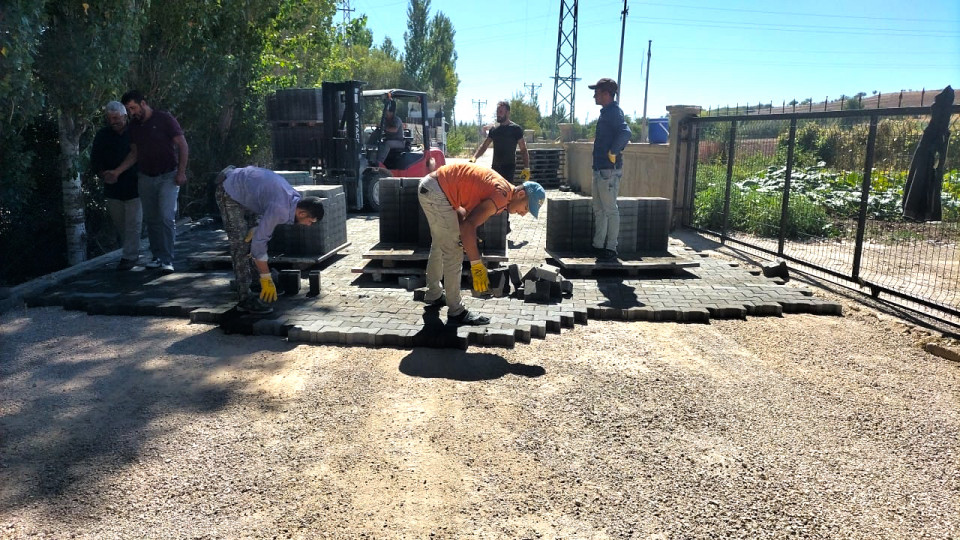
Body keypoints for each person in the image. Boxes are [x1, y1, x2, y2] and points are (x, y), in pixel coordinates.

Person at [418, 162, 546, 325]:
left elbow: (464, 214)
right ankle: (456, 311)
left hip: (434, 187)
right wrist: (476, 265)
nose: (523, 214)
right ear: (521, 194)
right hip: (437, 192)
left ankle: (434, 294)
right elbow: (468, 226)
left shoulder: (503, 191)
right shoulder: (501, 196)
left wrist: (467, 237)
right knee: (453, 252)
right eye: (526, 208)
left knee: (441, 243)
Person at [214, 166, 325, 314]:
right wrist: (266, 277)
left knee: (252, 240)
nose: (309, 225)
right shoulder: (280, 208)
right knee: (241, 245)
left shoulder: (293, 200)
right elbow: (259, 243)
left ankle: (256, 283)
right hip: (230, 190)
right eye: (310, 221)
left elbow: (266, 204)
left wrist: (258, 226)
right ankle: (245, 299)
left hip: (247, 190)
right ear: (302, 213)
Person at [105, 90, 189, 274]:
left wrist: (181, 172)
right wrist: (117, 171)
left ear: (143, 103)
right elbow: (134, 153)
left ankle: (167, 259)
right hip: (145, 177)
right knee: (152, 219)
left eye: (133, 108)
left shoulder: (164, 119)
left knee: (166, 216)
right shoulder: (134, 127)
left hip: (168, 175)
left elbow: (182, 145)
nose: (132, 112)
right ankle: (157, 257)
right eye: (128, 109)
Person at [90, 101, 142, 271]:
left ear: (125, 116)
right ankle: (131, 252)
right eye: (110, 118)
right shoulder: (102, 135)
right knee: (121, 225)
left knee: (134, 223)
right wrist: (103, 174)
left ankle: (130, 256)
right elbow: (95, 160)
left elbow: (139, 155)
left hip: (135, 185)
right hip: (113, 188)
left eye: (116, 118)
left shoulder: (135, 131)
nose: (113, 121)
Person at [589, 78, 632, 261]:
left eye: (597, 93)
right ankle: (598, 245)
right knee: (599, 209)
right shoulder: (606, 112)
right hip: (600, 169)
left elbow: (626, 132)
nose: (594, 96)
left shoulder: (614, 112)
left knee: (610, 210)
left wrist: (613, 151)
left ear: (606, 94)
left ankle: (611, 248)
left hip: (609, 171)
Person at [470, 100, 531, 183]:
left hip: (509, 169)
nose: (498, 114)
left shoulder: (516, 129)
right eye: (497, 112)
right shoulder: (494, 130)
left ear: (508, 113)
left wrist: (527, 168)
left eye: (501, 112)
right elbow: (484, 146)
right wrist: (474, 157)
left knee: (506, 190)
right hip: (495, 168)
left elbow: (523, 149)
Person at [374, 99, 405, 167]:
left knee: (387, 143)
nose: (385, 113)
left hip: (399, 142)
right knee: (379, 143)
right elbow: (382, 126)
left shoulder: (396, 119)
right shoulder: (385, 120)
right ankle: (371, 159)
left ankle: (379, 163)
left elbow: (394, 129)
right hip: (389, 140)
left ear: (391, 112)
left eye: (386, 112)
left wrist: (383, 127)